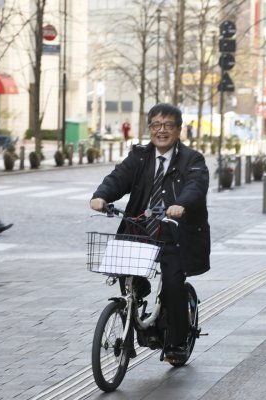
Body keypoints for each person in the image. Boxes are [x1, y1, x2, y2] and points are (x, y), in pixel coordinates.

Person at [90, 103, 210, 362]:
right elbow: (118, 177)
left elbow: (196, 186)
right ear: (150, 129)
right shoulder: (140, 156)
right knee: (126, 276)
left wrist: (181, 205)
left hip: (174, 233)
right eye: (156, 125)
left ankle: (176, 342)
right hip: (140, 229)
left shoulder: (193, 160)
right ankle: (132, 324)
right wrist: (101, 196)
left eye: (168, 125)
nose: (162, 130)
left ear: (179, 130)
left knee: (173, 283)